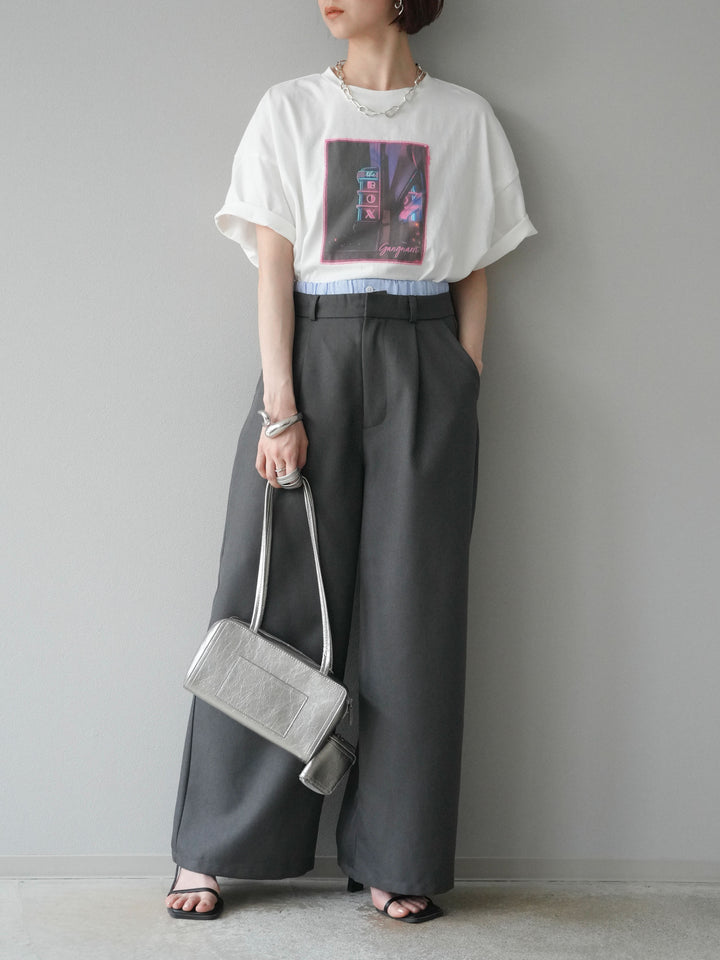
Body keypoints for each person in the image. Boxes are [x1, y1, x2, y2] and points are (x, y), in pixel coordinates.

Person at [165, 0, 537, 925]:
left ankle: (397, 856)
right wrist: (280, 405)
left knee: (415, 614)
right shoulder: (290, 107)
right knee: (271, 605)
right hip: (316, 353)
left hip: (424, 361)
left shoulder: (464, 118)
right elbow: (274, 266)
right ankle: (215, 845)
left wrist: (463, 378)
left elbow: (475, 267)